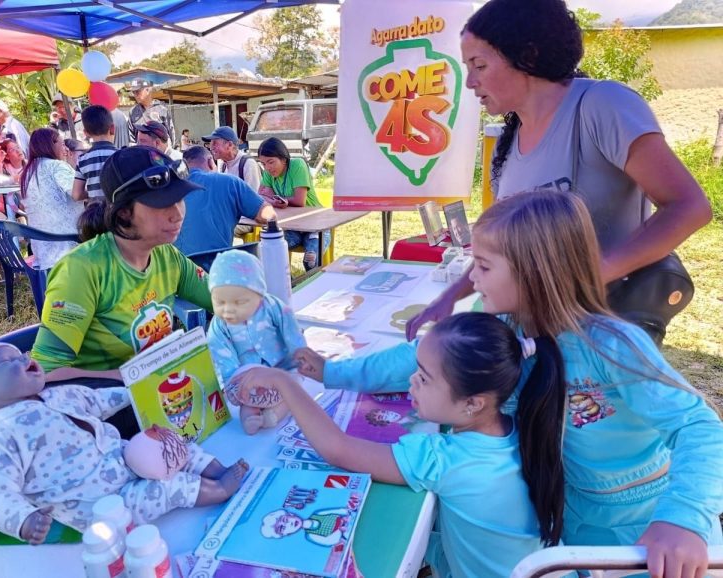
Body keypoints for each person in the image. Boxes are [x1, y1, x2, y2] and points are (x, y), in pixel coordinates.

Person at [299, 190, 723, 578]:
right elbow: (422, 353)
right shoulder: (503, 322)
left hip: (648, 538)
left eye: (482, 266)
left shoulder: (611, 346)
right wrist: (332, 372)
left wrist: (681, 518)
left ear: (536, 273)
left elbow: (699, 427)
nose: (473, 279)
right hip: (569, 522)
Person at [408, 0, 712, 345]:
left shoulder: (601, 105)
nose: (470, 82)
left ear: (528, 56)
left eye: (479, 65)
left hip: (598, 334)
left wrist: (596, 274)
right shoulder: (508, 142)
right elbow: (500, 245)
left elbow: (689, 207)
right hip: (535, 335)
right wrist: (452, 296)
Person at [233, 311, 567, 578]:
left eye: (423, 377)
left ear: (473, 403)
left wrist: (284, 384)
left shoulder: (446, 461)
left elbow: (337, 448)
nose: (411, 381)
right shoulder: (521, 428)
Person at [0, 342, 250, 544]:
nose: (24, 358)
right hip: (99, 504)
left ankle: (217, 469)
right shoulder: (0, 439)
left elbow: (98, 400)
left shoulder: (55, 395)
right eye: (9, 362)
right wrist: (24, 521)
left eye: (22, 353)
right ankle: (220, 488)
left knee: (171, 444)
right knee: (164, 490)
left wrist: (136, 391)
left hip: (123, 457)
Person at [30, 146, 212, 387]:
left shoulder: (167, 256)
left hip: (165, 392)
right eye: (162, 203)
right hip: (104, 409)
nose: (177, 214)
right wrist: (132, 377)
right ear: (124, 214)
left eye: (179, 199)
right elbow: (46, 371)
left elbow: (220, 298)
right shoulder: (81, 270)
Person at [208, 250, 306, 435]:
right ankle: (250, 418)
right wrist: (233, 383)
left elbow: (292, 333)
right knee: (247, 400)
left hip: (282, 370)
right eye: (220, 302)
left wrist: (300, 357)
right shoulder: (219, 325)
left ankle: (273, 417)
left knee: (293, 393)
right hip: (249, 379)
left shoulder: (273, 308)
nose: (228, 310)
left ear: (259, 294)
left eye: (240, 302)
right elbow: (221, 355)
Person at [174, 145, 275, 255]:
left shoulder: (167, 187)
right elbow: (268, 215)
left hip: (172, 268)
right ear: (210, 162)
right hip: (214, 266)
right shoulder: (230, 183)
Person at [257, 137, 329, 272]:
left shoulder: (297, 165)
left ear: (283, 159)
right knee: (272, 250)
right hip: (291, 226)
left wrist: (276, 200)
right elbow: (260, 193)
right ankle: (289, 284)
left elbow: (299, 201)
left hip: (314, 224)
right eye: (263, 164)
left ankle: (314, 288)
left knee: (311, 260)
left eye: (271, 162)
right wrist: (276, 201)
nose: (267, 168)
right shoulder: (269, 173)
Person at [20, 128, 83, 270]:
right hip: (66, 244)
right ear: (50, 145)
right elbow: (76, 193)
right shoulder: (55, 166)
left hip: (41, 248)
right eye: (61, 144)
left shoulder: (28, 172)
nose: (65, 148)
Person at [72, 105, 118, 201]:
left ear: (86, 133)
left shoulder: (82, 159)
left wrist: (92, 193)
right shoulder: (121, 155)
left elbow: (76, 195)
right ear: (112, 128)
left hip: (95, 212)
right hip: (118, 211)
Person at [204, 125, 261, 193]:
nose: (211, 148)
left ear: (229, 145)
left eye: (215, 143)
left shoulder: (248, 164)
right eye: (210, 143)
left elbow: (254, 198)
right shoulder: (223, 166)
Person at [127, 77, 174, 147]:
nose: (135, 95)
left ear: (148, 90)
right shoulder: (133, 112)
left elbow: (171, 134)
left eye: (138, 91)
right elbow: (131, 139)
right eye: (134, 92)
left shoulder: (161, 109)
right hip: (142, 154)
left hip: (160, 153)